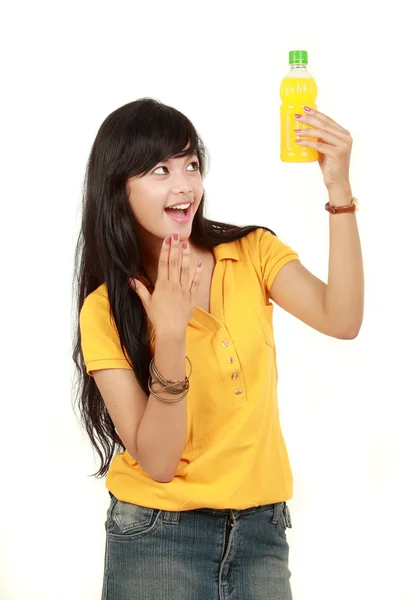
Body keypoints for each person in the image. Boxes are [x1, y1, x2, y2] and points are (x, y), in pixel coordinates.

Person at [72, 97, 364, 600]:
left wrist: (338, 188)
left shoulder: (250, 253)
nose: (184, 184)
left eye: (191, 163)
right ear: (119, 188)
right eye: (160, 169)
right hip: (156, 539)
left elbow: (343, 319)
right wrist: (171, 334)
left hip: (261, 536)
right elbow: (159, 463)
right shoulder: (105, 310)